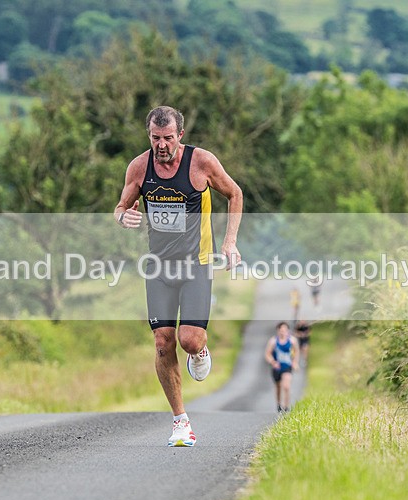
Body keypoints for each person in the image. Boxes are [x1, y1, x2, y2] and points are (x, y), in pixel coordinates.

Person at [114, 105, 243, 447]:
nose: (162, 145)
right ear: (149, 136)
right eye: (156, 139)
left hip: (196, 265)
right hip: (158, 267)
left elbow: (235, 193)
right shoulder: (139, 167)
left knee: (189, 340)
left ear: (180, 136)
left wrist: (229, 242)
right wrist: (122, 216)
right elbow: (122, 205)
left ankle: (199, 351)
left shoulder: (201, 163)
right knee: (162, 341)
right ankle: (181, 422)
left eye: (168, 138)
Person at [265, 322, 300, 413]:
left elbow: (296, 352)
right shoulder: (273, 341)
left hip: (287, 366)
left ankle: (286, 407)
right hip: (277, 367)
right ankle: (279, 404)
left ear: (288, 331)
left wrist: (295, 362)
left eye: (285, 330)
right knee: (278, 387)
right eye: (281, 330)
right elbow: (267, 354)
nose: (283, 332)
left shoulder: (292, 340)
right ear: (278, 331)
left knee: (286, 386)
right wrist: (273, 362)